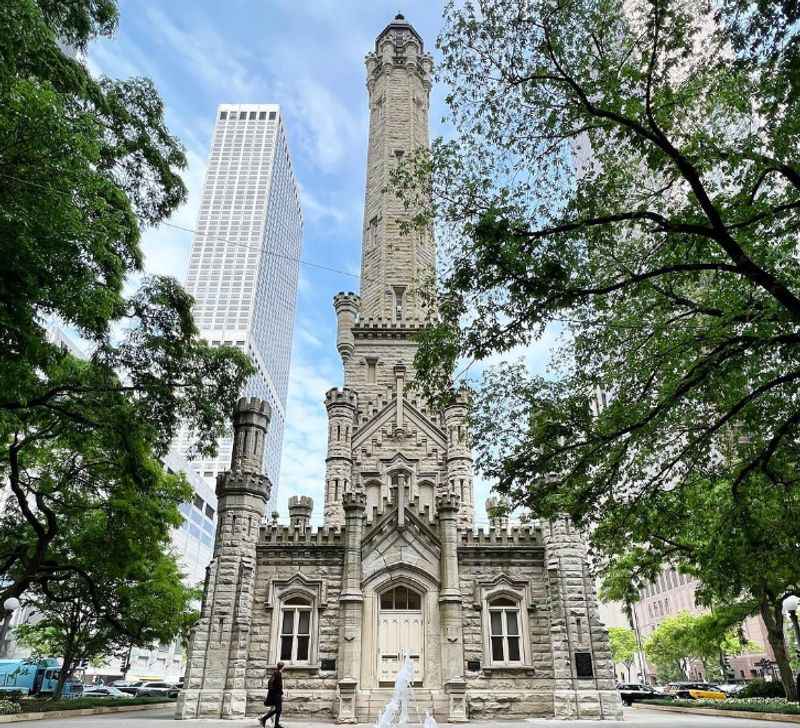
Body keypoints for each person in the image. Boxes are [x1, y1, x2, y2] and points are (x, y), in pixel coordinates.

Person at [259, 661, 285, 728]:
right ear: (282, 667)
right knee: (278, 709)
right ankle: (264, 719)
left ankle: (275, 724)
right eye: (284, 666)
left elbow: (277, 685)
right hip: (276, 694)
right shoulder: (277, 673)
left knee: (278, 710)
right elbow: (270, 682)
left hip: (277, 694)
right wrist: (274, 692)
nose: (284, 668)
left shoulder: (278, 673)